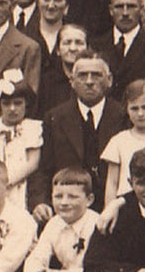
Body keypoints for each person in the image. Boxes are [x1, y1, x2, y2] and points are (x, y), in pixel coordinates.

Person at [28, 51, 128, 218]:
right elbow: (43, 168)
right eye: (82, 76)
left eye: (96, 75)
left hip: (111, 209)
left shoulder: (122, 116)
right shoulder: (55, 118)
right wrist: (40, 202)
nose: (89, 81)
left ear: (109, 80)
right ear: (72, 81)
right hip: (68, 208)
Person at [0, 70, 42, 210]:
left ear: (26, 104)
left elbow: (33, 162)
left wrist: (7, 180)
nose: (12, 109)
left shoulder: (32, 127)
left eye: (18, 103)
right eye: (6, 104)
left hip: (18, 184)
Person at [100, 80, 145, 209]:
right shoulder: (119, 140)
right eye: (134, 108)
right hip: (126, 206)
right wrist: (109, 209)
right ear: (127, 109)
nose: (140, 114)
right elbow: (112, 183)